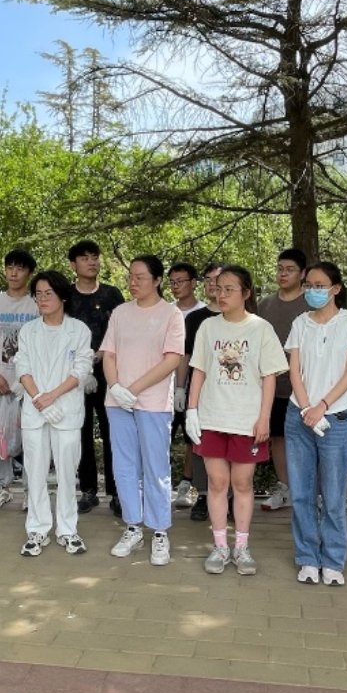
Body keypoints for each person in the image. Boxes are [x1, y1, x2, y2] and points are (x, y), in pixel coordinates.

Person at [186, 265, 287, 576]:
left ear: (246, 293)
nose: (222, 294)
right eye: (219, 288)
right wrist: (191, 410)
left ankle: (241, 547)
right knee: (217, 483)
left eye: (229, 289)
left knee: (242, 484)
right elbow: (199, 370)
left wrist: (264, 418)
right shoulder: (208, 327)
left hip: (246, 420)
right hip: (212, 417)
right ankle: (220, 546)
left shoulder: (261, 328)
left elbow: (269, 377)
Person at [284, 261, 347, 584]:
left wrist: (321, 406)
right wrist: (307, 407)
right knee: (302, 493)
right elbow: (294, 370)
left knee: (334, 496)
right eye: (309, 285)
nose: (313, 291)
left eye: (320, 286)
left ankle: (333, 559)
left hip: (336, 416)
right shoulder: (300, 323)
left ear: (336, 288)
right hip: (299, 415)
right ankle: (307, 557)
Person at [101, 255, 187, 563]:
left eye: (140, 277)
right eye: (131, 277)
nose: (133, 282)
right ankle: (133, 526)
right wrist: (115, 387)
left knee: (156, 467)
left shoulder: (171, 314)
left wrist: (132, 389)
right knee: (124, 466)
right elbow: (109, 354)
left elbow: (172, 359)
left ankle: (160, 530)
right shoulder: (121, 313)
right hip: (117, 402)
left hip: (153, 403)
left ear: (157, 280)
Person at [15, 270, 95, 555]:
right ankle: (37, 530)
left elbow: (81, 369)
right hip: (35, 410)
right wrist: (39, 398)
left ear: (62, 296)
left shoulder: (79, 330)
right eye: (38, 294)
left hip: (66, 410)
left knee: (67, 472)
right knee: (35, 472)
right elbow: (22, 367)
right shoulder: (28, 330)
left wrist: (53, 397)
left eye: (48, 293)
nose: (43, 299)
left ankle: (68, 530)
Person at [65, 239, 125, 513]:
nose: (92, 262)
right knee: (81, 432)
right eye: (85, 258)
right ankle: (88, 490)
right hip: (74, 375)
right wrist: (82, 365)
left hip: (109, 373)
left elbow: (120, 332)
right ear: (73, 264)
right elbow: (62, 333)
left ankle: (116, 492)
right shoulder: (66, 296)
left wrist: (99, 355)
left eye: (95, 257)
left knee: (113, 432)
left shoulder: (112, 295)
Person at [0, 248, 40, 511]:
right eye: (10, 267)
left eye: (20, 268)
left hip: (30, 385)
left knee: (32, 437)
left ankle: (31, 490)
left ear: (29, 273)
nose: (14, 273)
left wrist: (25, 382)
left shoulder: (37, 303)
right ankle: (0, 487)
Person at [257, 247, 312, 511]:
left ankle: (310, 493)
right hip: (273, 385)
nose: (283, 274)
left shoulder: (311, 303)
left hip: (307, 387)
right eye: (280, 269)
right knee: (277, 437)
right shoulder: (265, 305)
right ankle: (284, 488)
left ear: (302, 274)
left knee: (307, 439)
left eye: (290, 270)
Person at [167, 262, 211, 510]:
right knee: (162, 437)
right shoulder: (165, 311)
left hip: (194, 386)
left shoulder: (204, 313)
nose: (176, 286)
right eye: (172, 282)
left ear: (194, 283)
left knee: (192, 438)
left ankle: (187, 483)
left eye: (181, 281)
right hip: (163, 386)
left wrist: (184, 386)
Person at [183, 262, 223, 522]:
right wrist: (181, 388)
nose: (212, 285)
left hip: (234, 393)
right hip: (200, 390)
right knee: (201, 443)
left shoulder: (245, 318)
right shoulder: (195, 319)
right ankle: (202, 495)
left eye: (217, 280)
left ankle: (230, 497)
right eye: (207, 279)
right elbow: (186, 356)